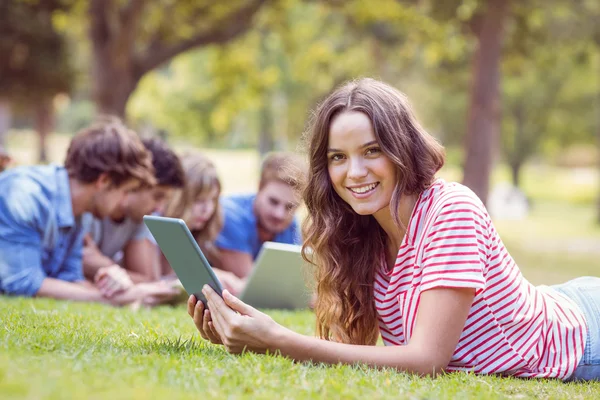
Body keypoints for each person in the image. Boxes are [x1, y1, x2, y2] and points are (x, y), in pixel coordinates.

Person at [187, 78, 600, 382]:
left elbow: (426, 360)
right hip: (557, 299)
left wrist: (277, 340)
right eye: (338, 157)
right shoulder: (360, 230)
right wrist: (244, 330)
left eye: (372, 151)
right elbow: (350, 353)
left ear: (401, 147)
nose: (355, 172)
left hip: (583, 338)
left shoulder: (450, 209)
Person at [0, 118, 179, 305]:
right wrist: (117, 297)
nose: (125, 201)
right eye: (125, 191)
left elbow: (69, 278)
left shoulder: (79, 212)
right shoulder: (23, 196)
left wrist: (114, 285)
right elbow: (22, 283)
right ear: (104, 181)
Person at [82, 137, 185, 298]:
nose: (160, 208)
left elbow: (149, 281)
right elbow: (77, 268)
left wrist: (102, 264)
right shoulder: (91, 208)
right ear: (137, 183)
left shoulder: (139, 217)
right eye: (157, 196)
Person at [215, 152, 307, 278]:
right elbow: (251, 287)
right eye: (273, 202)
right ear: (259, 187)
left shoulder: (291, 225)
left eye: (290, 207)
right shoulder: (230, 214)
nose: (279, 214)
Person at [163, 152, 244, 295]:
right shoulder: (159, 226)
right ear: (179, 198)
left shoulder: (204, 233)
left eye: (212, 200)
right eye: (200, 200)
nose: (207, 209)